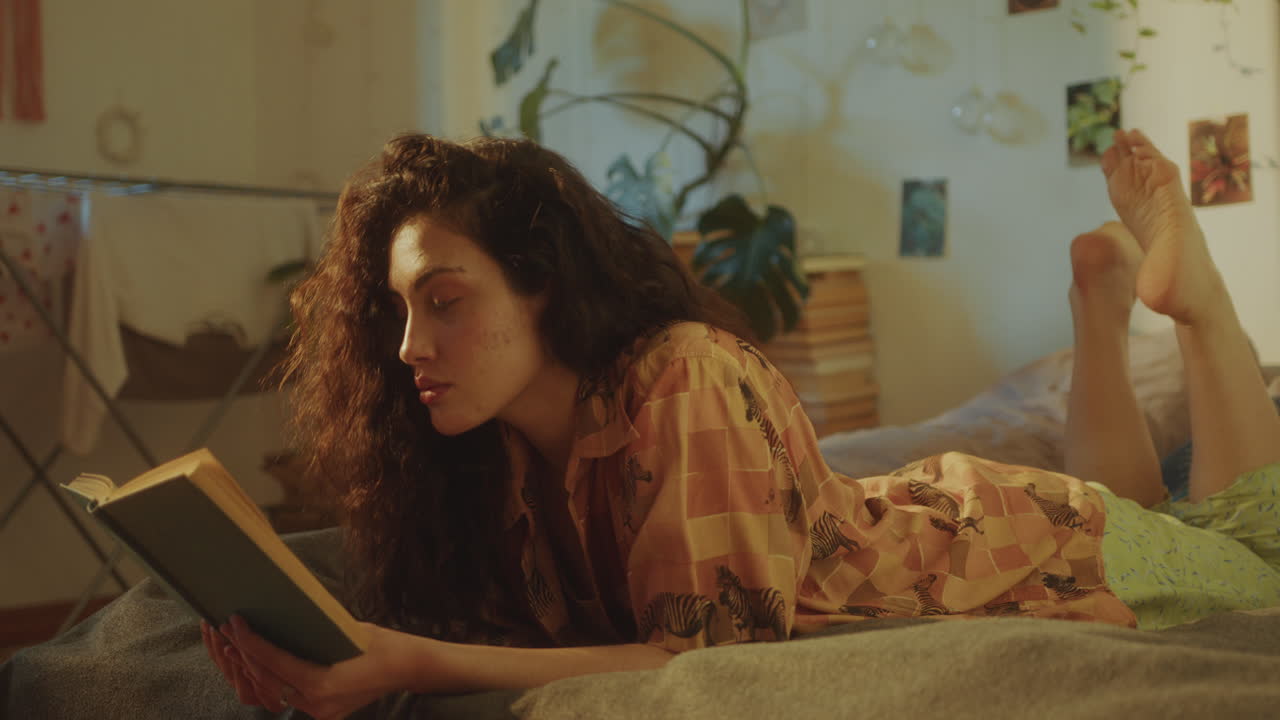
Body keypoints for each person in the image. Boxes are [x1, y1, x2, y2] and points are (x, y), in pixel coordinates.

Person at [200, 129, 1280, 719]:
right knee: (1158, 506)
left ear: (539, 284)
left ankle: (1184, 302)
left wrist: (410, 663)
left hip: (1005, 546)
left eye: (444, 300)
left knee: (1241, 535)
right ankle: (1098, 302)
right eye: (396, 310)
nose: (408, 348)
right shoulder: (492, 451)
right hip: (959, 514)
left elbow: (703, 657)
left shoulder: (683, 378)